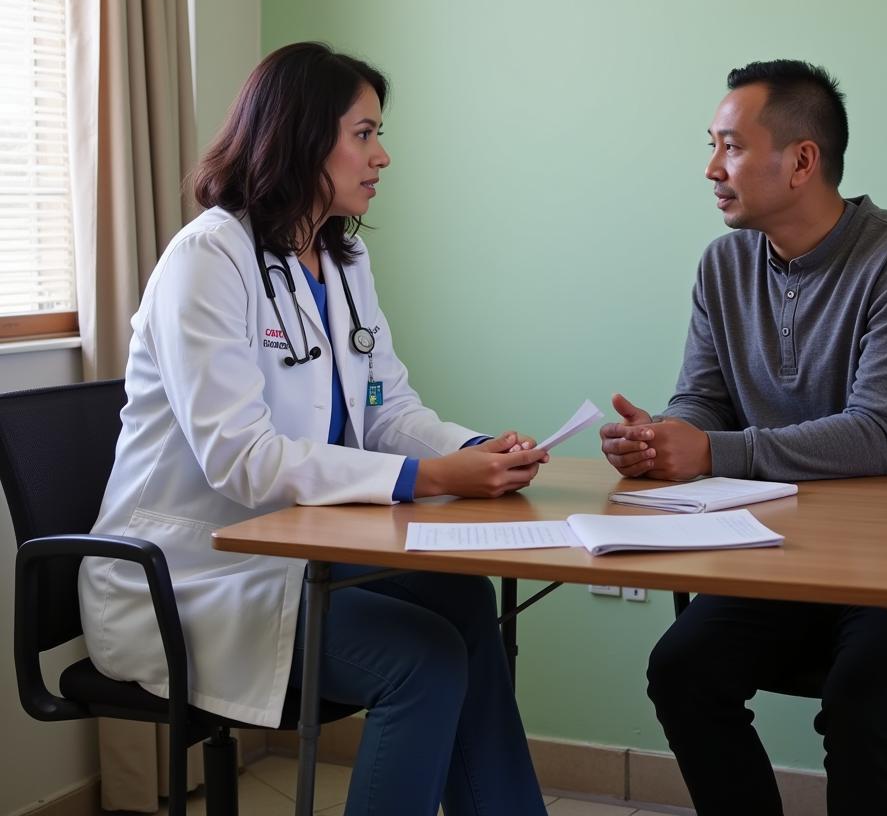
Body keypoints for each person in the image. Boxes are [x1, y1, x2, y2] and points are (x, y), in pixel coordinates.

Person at [79, 42, 550, 816]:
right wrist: (429, 480)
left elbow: (388, 409)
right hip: (190, 577)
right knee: (420, 660)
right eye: (364, 134)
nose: (383, 156)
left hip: (296, 560)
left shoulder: (342, 259)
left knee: (463, 605)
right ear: (303, 137)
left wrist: (471, 452)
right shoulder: (207, 260)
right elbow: (242, 459)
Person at [599, 60, 887, 816]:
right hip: (780, 553)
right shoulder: (723, 264)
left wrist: (709, 451)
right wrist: (663, 438)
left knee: (863, 702)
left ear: (802, 160)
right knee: (681, 670)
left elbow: (879, 437)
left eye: (731, 147)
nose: (711, 168)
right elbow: (703, 398)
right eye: (712, 145)